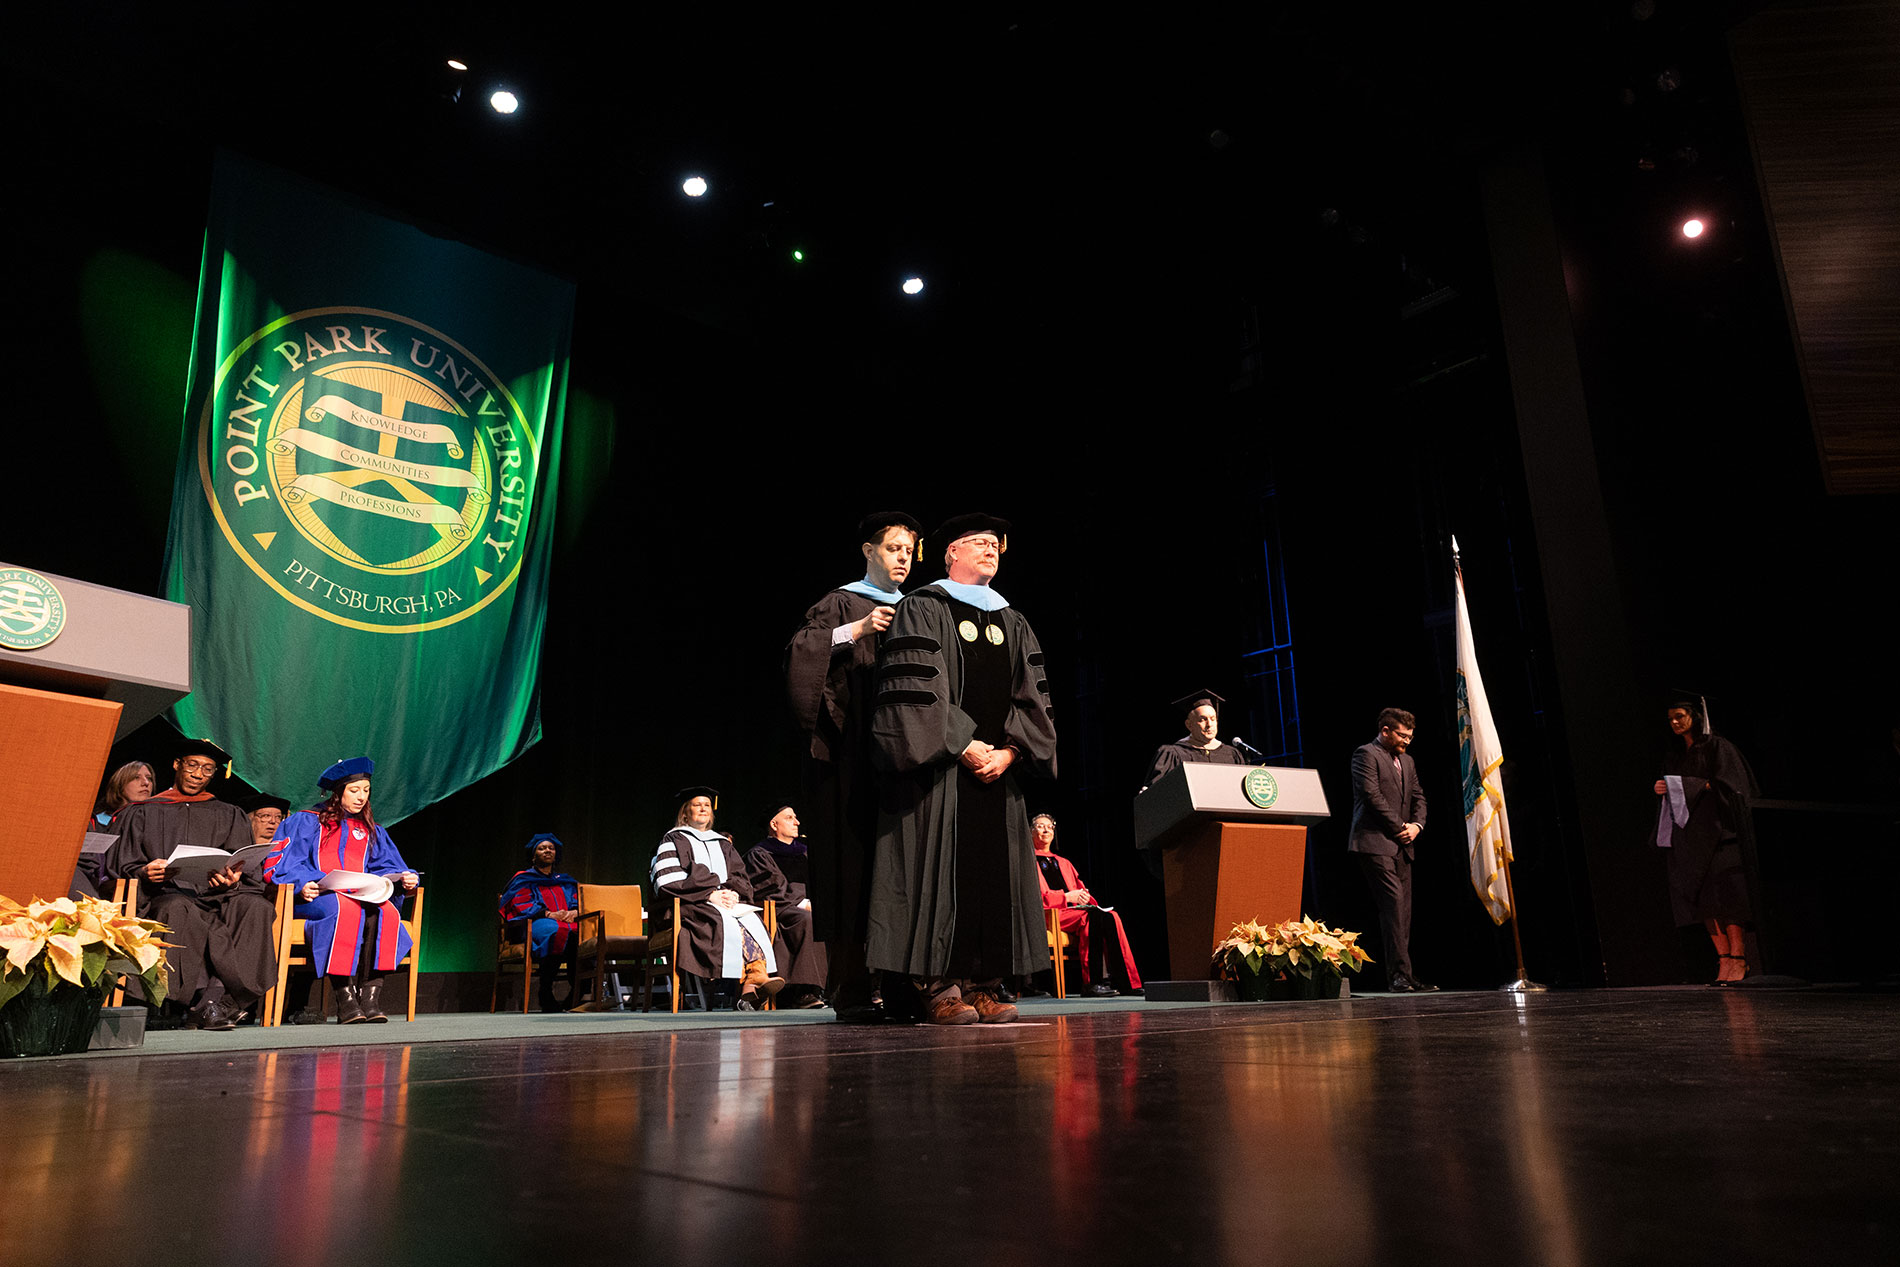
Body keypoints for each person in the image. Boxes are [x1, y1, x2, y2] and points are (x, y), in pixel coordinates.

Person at [866, 513, 1059, 1025]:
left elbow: (1032, 699)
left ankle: (983, 986)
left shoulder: (1013, 621)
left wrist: (1011, 752)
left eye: (996, 544)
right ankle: (939, 989)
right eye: (978, 543)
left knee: (993, 879)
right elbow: (917, 693)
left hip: (999, 775)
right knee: (937, 876)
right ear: (950, 553)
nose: (991, 549)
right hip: (941, 776)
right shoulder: (922, 609)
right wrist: (965, 744)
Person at [784, 510, 922, 1017]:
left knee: (902, 870)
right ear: (869, 551)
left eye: (909, 550)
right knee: (852, 868)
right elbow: (801, 654)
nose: (903, 558)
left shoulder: (921, 610)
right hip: (848, 760)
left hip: (903, 761)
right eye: (893, 548)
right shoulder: (839, 602)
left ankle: (907, 987)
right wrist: (857, 630)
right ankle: (852, 987)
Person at [101, 738, 277, 1030]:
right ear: (177, 764)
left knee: (255, 906)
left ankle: (215, 1000)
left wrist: (233, 880)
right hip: (165, 894)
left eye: (207, 769)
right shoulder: (143, 811)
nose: (198, 774)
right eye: (192, 765)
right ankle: (192, 1004)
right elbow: (120, 865)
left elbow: (244, 868)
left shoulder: (228, 813)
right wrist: (145, 872)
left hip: (217, 895)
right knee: (178, 906)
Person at [262, 758, 419, 1024]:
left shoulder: (370, 830)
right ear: (338, 792)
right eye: (354, 790)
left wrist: (406, 877)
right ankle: (345, 998)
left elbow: (387, 865)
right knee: (344, 908)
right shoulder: (306, 822)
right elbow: (284, 863)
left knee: (385, 912)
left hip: (359, 897)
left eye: (366, 790)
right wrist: (304, 884)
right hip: (317, 897)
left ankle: (370, 998)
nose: (361, 797)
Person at [1648, 693, 1759, 984]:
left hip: (1719, 833)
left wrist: (1686, 785)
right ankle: (1723, 958)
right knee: (1703, 901)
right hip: (1689, 837)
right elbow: (1674, 789)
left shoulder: (1717, 747)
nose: (1673, 722)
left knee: (1728, 899)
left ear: (1695, 716)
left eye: (1679, 716)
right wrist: (1663, 787)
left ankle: (1738, 956)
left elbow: (1731, 786)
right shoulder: (1674, 755)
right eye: (1670, 718)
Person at [650, 787, 784, 1011]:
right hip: (689, 906)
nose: (703, 808)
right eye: (697, 805)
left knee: (752, 919)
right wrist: (709, 894)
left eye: (707, 805)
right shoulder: (672, 840)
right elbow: (667, 881)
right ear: (685, 813)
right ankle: (754, 978)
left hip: (725, 903)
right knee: (724, 922)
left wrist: (733, 893)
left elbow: (739, 876)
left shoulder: (722, 843)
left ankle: (750, 985)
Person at [1348, 708, 1434, 993]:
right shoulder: (1366, 754)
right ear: (1385, 731)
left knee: (1403, 913)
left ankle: (1405, 976)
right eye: (1401, 735)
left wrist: (1417, 826)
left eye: (1410, 737)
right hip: (1375, 842)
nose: (1407, 741)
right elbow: (1371, 796)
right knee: (1394, 907)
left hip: (1403, 845)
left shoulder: (1407, 761)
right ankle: (1399, 976)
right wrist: (1400, 826)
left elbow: (1418, 796)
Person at [1033, 814, 1143, 998]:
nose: (1046, 830)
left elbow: (1080, 889)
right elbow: (1032, 897)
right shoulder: (1028, 862)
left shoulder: (1064, 863)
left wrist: (1084, 897)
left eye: (1050, 827)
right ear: (1030, 832)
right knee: (1092, 918)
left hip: (1072, 913)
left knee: (1110, 916)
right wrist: (1066, 896)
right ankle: (1093, 982)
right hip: (1047, 913)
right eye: (1040, 826)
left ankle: (1126, 982)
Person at [746, 803, 829, 1008]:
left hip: (807, 905)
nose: (797, 822)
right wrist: (801, 902)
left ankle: (841, 989)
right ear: (774, 824)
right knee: (806, 919)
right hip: (780, 909)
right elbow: (768, 888)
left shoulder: (806, 852)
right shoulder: (760, 854)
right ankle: (804, 991)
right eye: (790, 818)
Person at [499, 833, 582, 1012]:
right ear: (533, 855)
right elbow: (520, 903)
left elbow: (580, 899)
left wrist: (575, 911)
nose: (547, 851)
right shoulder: (523, 879)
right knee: (553, 930)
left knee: (583, 934)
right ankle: (545, 991)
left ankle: (578, 992)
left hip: (568, 922)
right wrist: (548, 914)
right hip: (534, 924)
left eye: (551, 848)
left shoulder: (566, 881)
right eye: (542, 848)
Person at [72, 760, 157, 900]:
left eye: (149, 778)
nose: (145, 783)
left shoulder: (154, 824)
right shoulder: (95, 822)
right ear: (119, 783)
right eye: (136, 777)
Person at [1142, 689, 1251, 789]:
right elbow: (1155, 792)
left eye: (1213, 719)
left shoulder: (1232, 754)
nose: (1209, 724)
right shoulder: (1173, 754)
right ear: (1189, 725)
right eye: (1202, 719)